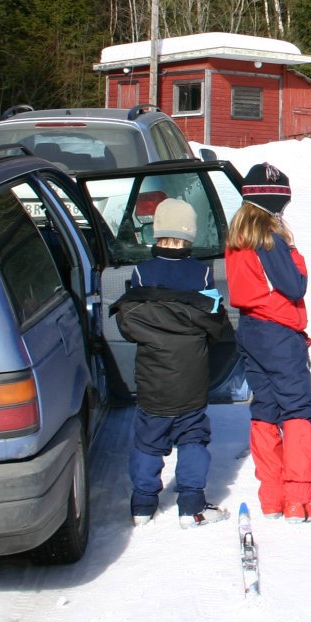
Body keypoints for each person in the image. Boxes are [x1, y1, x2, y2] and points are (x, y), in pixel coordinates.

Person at [226, 162, 311, 523]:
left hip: (250, 330)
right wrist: (293, 253)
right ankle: (299, 497)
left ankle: (272, 496)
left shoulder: (237, 239)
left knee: (265, 409)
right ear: (276, 202)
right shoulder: (270, 241)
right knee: (297, 412)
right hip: (278, 332)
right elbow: (295, 286)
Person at [112, 198, 233, 529]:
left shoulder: (141, 272)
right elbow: (214, 323)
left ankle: (143, 505)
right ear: (190, 234)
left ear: (156, 232)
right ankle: (191, 506)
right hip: (191, 373)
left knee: (148, 439)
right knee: (192, 436)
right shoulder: (202, 273)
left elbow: (133, 323)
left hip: (153, 375)